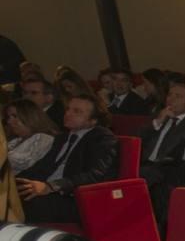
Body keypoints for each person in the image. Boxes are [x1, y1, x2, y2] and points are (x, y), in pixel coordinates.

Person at [16, 93, 119, 223]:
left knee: (27, 204)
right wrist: (14, 182)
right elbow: (41, 167)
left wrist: (52, 186)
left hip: (75, 198)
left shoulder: (102, 137)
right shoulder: (62, 138)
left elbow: (95, 175)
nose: (68, 114)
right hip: (49, 193)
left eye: (77, 111)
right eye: (68, 109)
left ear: (93, 120)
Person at [3, 97, 57, 175]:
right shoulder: (15, 141)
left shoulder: (43, 138)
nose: (9, 121)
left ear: (30, 116)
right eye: (8, 117)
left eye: (15, 116)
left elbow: (25, 162)